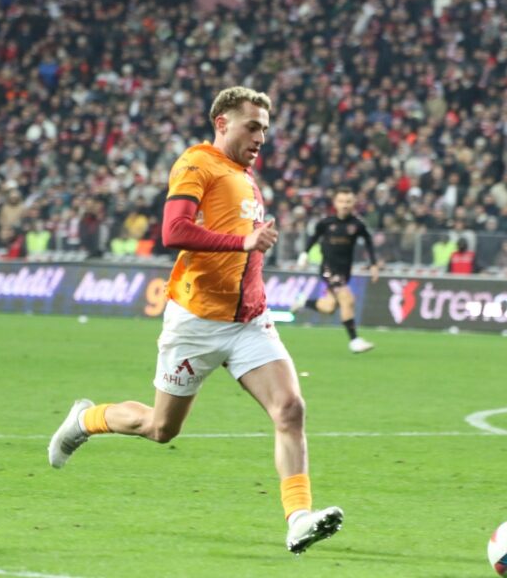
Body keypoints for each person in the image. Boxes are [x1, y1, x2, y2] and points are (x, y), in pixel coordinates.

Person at [47, 86, 343, 554]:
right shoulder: (196, 163)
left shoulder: (246, 178)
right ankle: (85, 418)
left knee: (290, 409)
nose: (261, 137)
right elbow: (173, 231)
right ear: (222, 123)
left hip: (249, 320)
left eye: (265, 129)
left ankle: (298, 518)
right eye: (252, 126)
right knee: (161, 429)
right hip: (196, 322)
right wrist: (243, 243)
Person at [290, 186, 379, 353]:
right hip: (328, 268)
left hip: (344, 271)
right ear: (335, 203)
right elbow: (313, 237)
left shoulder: (357, 224)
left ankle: (303, 302)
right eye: (341, 201)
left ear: (354, 203)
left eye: (348, 201)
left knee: (329, 307)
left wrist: (373, 264)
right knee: (347, 299)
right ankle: (354, 340)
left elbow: (368, 242)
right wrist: (304, 254)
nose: (345, 205)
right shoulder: (326, 223)